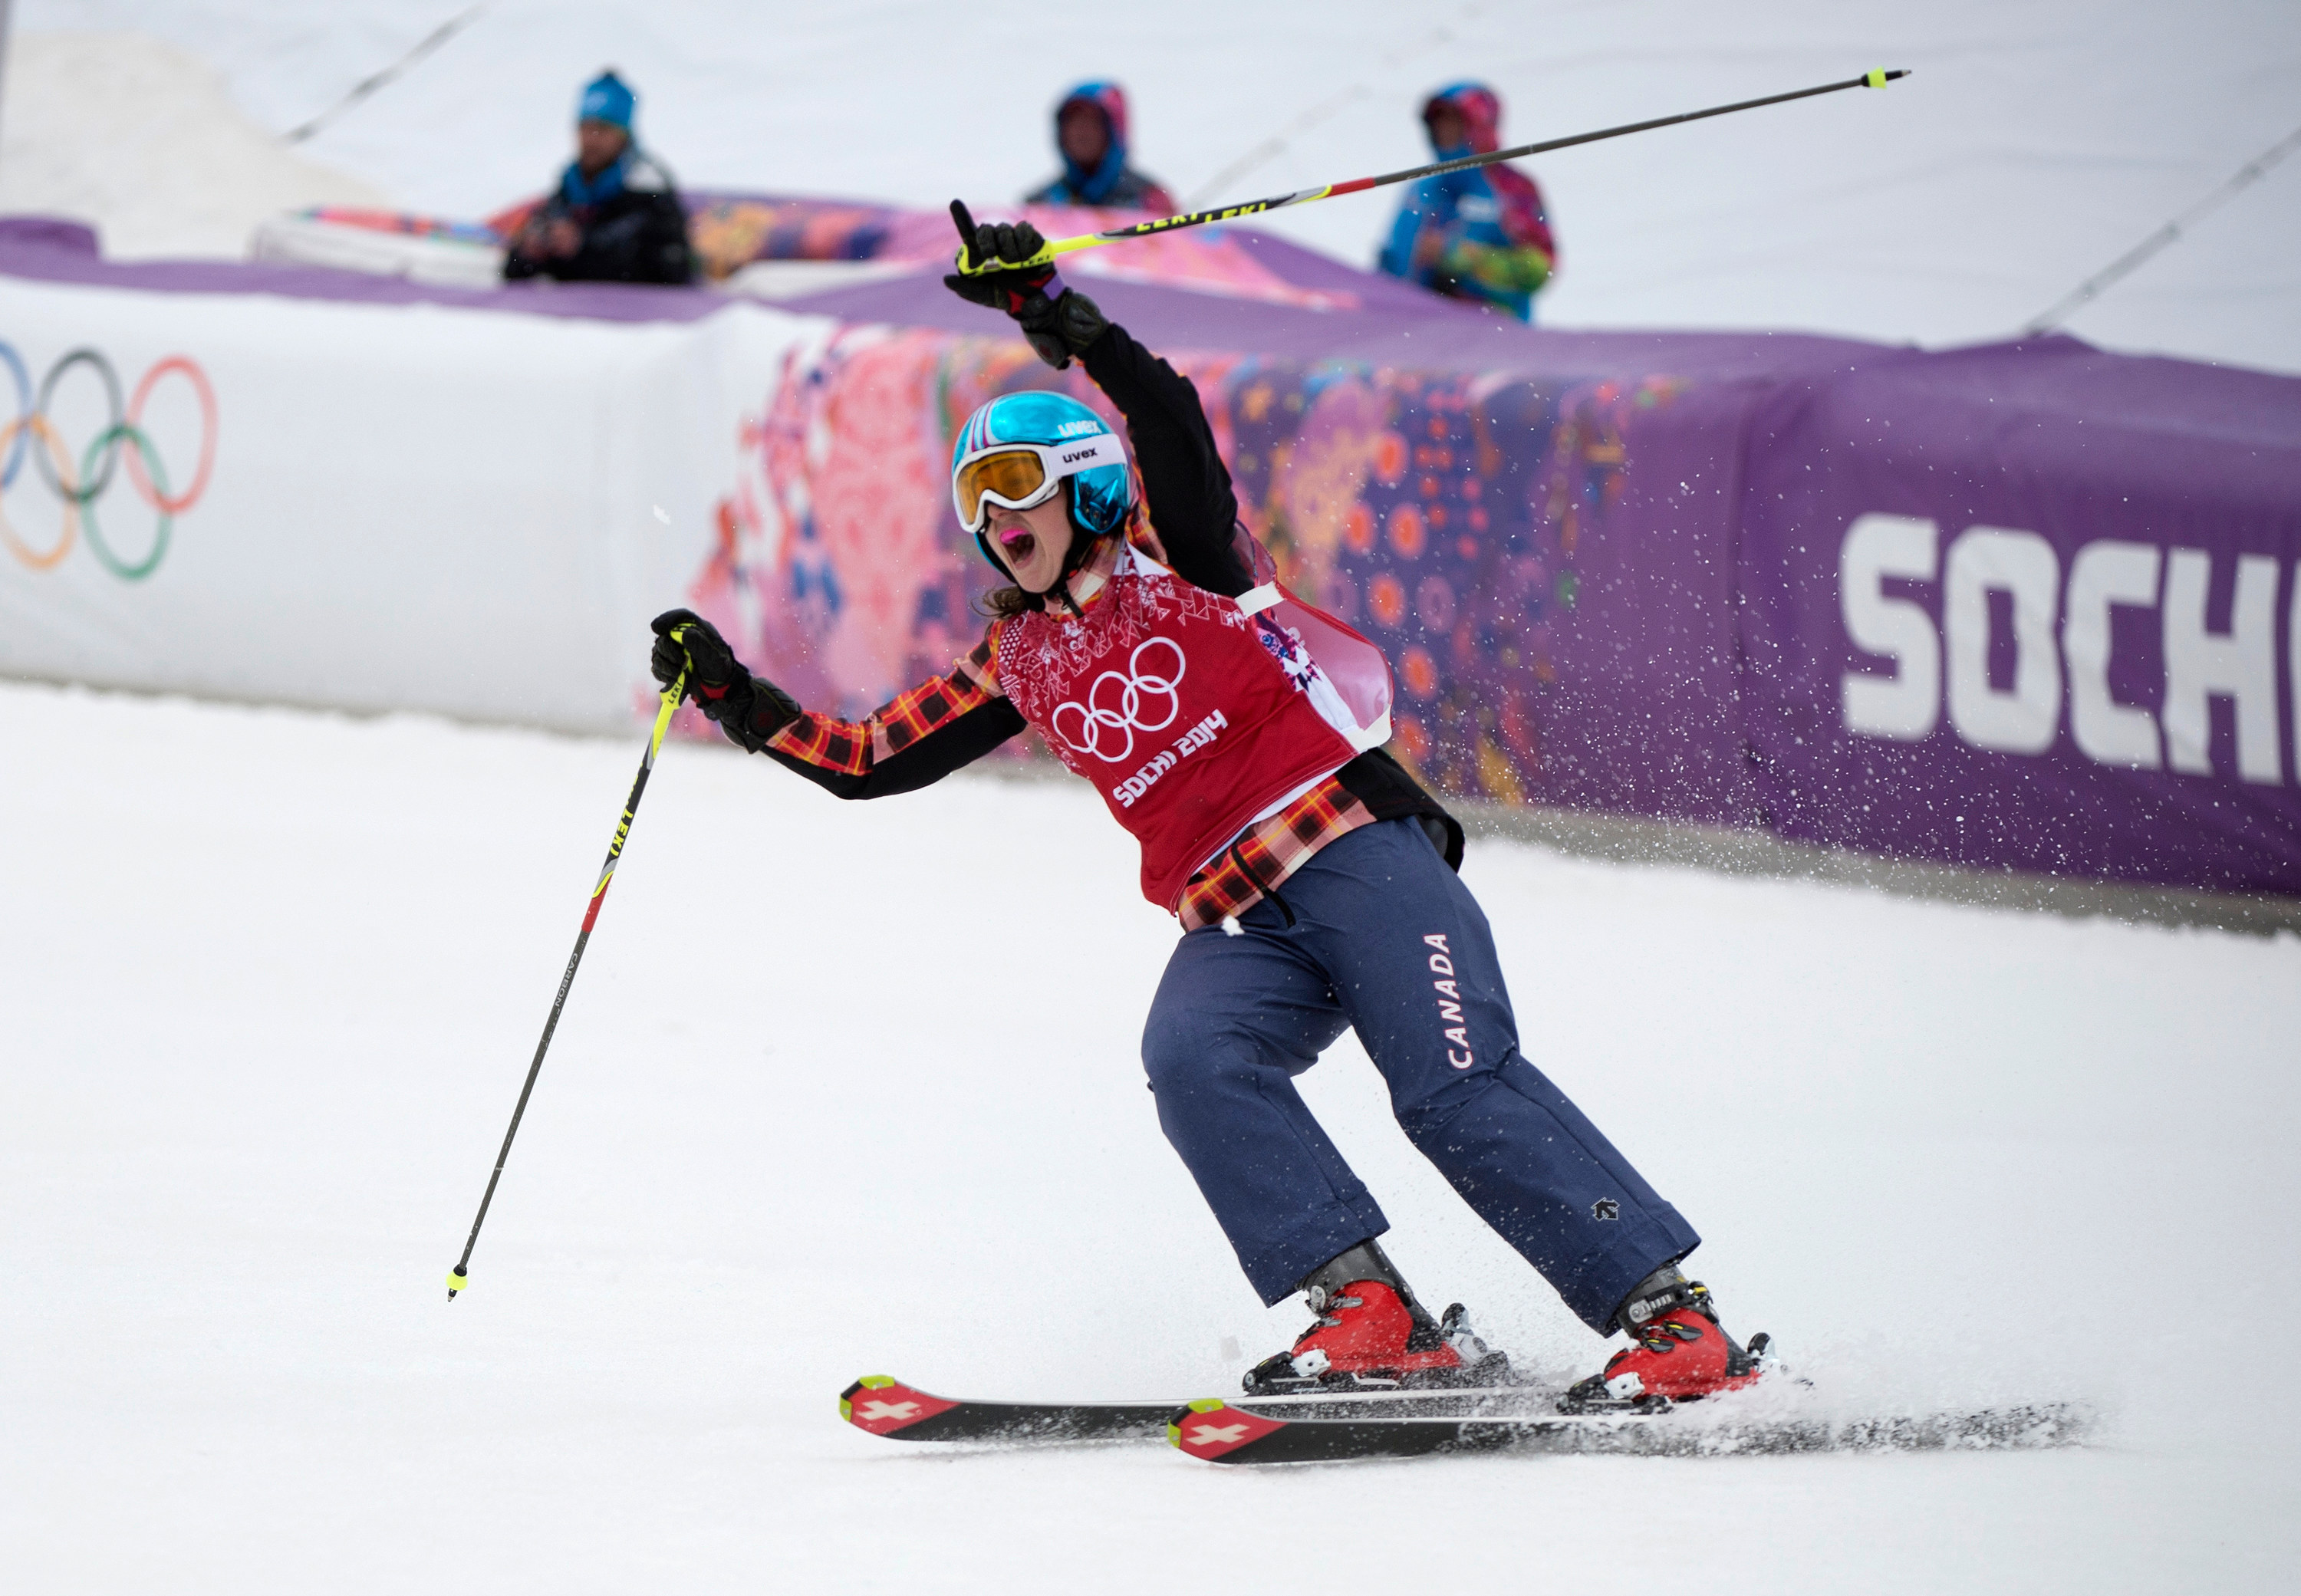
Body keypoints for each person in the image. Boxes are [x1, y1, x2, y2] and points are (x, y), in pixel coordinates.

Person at [647, 216, 1766, 1409]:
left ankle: (1672, 1322)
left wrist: (1057, 319)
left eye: (1016, 482)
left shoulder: (1183, 562)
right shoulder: (1018, 657)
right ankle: (1369, 1313)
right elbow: (871, 757)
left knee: (1449, 1087)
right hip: (1234, 918)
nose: (993, 512)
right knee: (1193, 1058)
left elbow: (1170, 419)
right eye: (975, 492)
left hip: (1351, 847)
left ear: (1084, 483)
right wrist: (734, 697)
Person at [1377, 83, 1557, 322]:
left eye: (1454, 120)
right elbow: (1389, 262)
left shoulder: (1511, 188)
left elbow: (1539, 267)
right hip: (1413, 332)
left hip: (1489, 336)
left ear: (1479, 124)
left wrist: (1460, 255)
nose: (1444, 129)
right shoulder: (1419, 190)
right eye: (1438, 121)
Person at [502, 70, 694, 285]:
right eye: (585, 128)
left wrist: (581, 249)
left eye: (602, 129)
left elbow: (673, 271)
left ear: (624, 135)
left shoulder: (650, 192)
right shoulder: (569, 188)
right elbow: (512, 270)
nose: (590, 139)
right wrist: (529, 252)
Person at [1023, 82, 1176, 213]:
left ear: (1114, 131)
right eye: (1072, 124)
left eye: (1092, 124)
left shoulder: (1150, 199)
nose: (1081, 133)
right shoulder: (1039, 204)